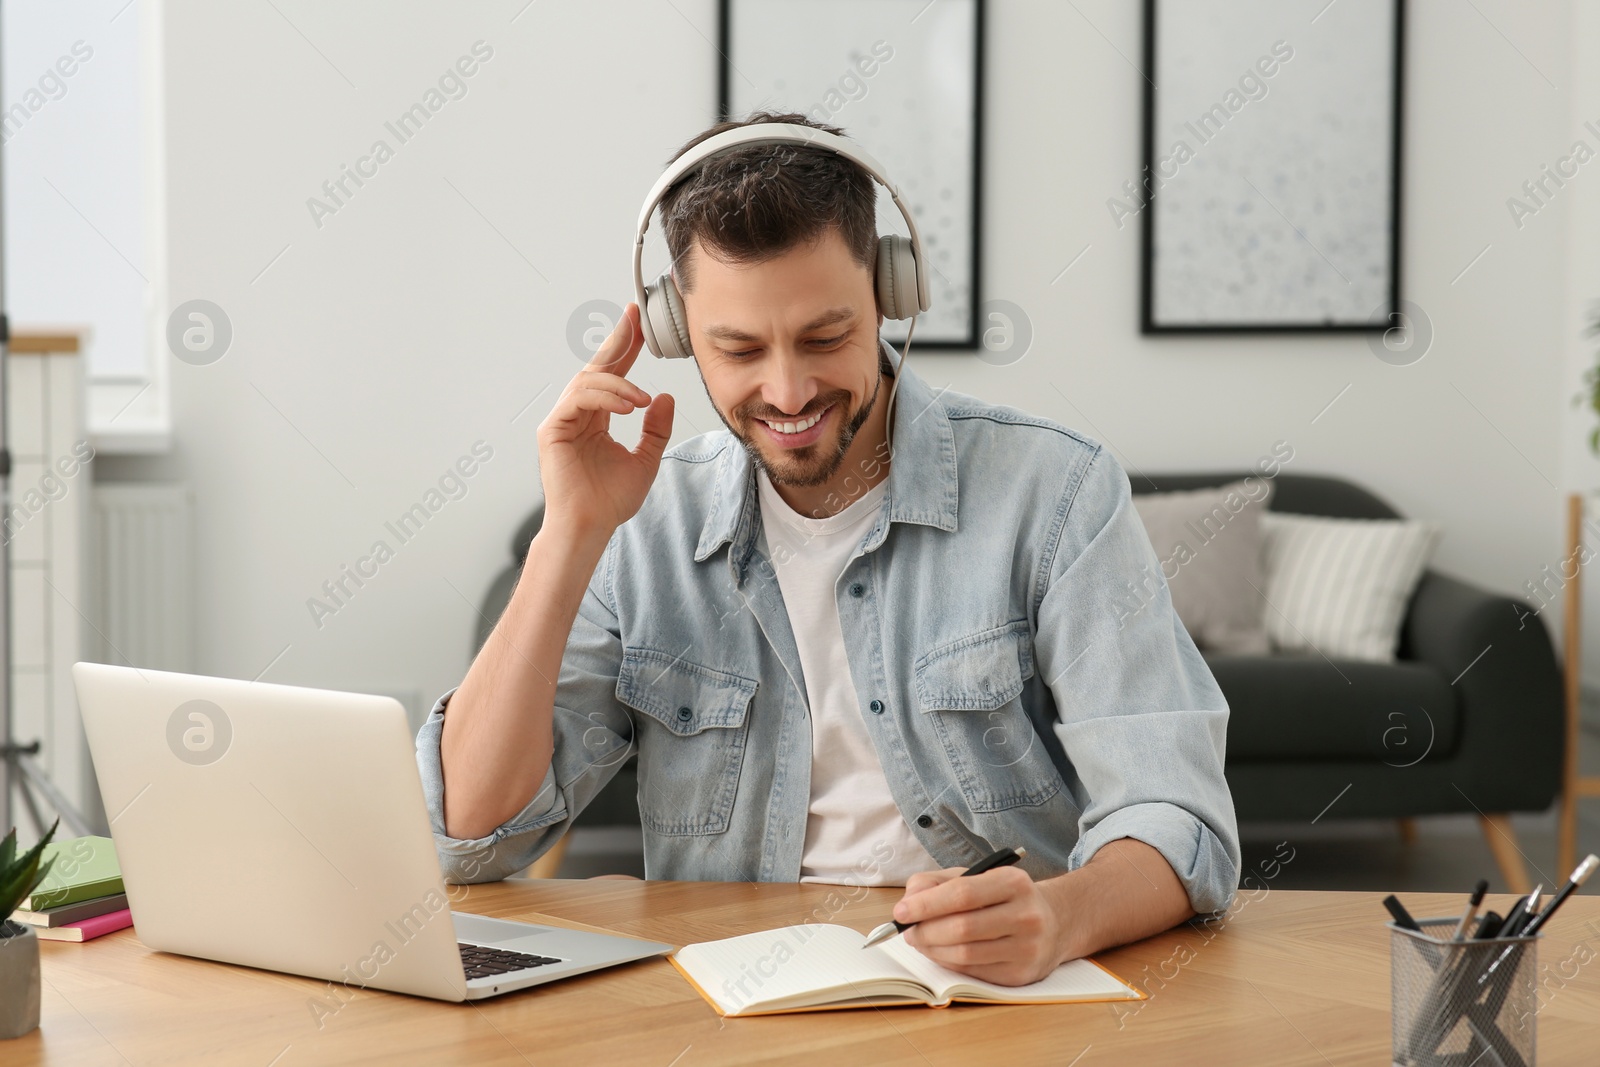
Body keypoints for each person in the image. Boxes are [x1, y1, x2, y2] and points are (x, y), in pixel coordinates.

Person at [416, 111, 1240, 987]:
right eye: (737, 348)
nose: (788, 390)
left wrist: (1061, 915)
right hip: (726, 1006)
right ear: (672, 331)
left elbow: (1176, 812)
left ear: (892, 293)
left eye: (824, 337)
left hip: (996, 1006)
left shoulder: (1057, 490)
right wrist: (567, 537)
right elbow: (471, 835)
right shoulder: (643, 523)